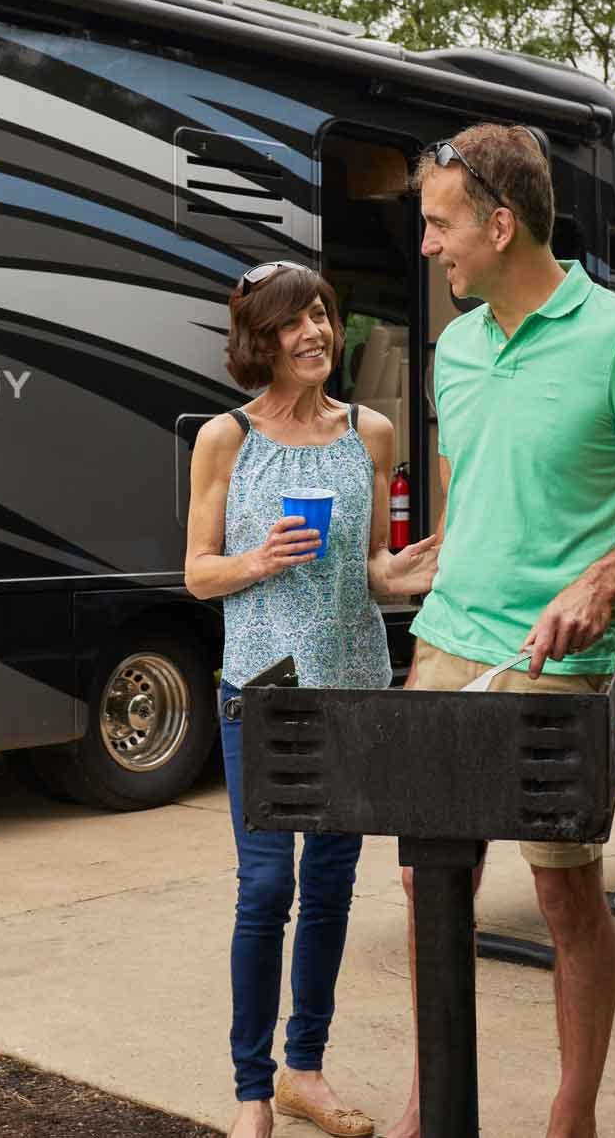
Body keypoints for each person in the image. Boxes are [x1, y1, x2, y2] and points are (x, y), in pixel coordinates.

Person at [383, 124, 615, 1138]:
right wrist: (431, 559)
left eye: (439, 225)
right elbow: (468, 486)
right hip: (446, 639)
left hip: (557, 657)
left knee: (563, 892)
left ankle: (571, 1111)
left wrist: (602, 580)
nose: (427, 246)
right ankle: (430, 1091)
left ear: (498, 223)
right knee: (426, 876)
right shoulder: (453, 347)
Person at [185, 261, 440, 1138]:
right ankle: (251, 1089)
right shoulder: (227, 438)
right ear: (261, 339)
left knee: (330, 887)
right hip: (260, 692)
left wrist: (398, 573)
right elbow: (195, 571)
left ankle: (305, 1069)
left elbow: (371, 566)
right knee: (265, 889)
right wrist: (256, 560)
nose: (317, 333)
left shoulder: (371, 431)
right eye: (296, 322)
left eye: (325, 315)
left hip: (354, 689)